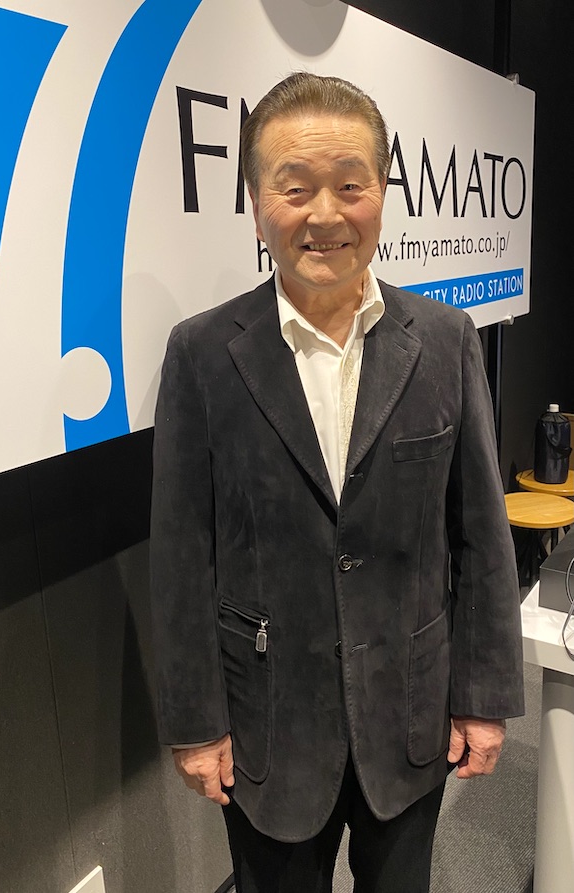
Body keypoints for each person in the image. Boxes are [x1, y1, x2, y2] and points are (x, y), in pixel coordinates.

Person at [150, 72, 524, 893]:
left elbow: (479, 535)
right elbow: (181, 555)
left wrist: (483, 696)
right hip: (267, 725)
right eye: (294, 189)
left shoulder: (446, 340)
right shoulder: (202, 353)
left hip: (411, 710)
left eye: (350, 186)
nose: (324, 214)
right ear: (256, 203)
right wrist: (195, 723)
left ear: (382, 192)